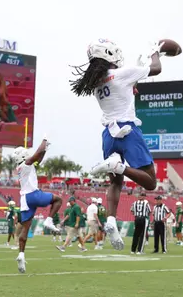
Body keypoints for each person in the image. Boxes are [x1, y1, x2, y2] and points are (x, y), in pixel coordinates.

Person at [69, 39, 164, 250]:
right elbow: (156, 69)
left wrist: (132, 86)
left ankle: (111, 220)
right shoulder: (122, 73)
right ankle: (119, 166)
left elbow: (120, 91)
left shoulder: (95, 82)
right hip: (128, 131)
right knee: (150, 182)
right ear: (111, 55)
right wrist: (155, 51)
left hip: (108, 135)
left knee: (115, 183)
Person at [11, 136, 62, 273]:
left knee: (25, 229)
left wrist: (46, 149)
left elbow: (38, 158)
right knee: (58, 200)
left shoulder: (22, 167)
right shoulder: (26, 163)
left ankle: (21, 254)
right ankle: (49, 220)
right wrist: (44, 140)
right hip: (33, 194)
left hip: (24, 199)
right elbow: (37, 153)